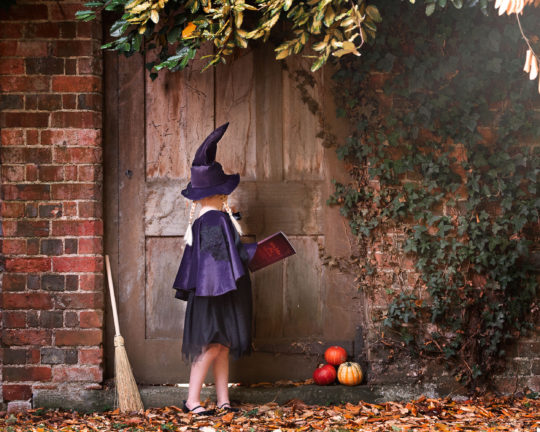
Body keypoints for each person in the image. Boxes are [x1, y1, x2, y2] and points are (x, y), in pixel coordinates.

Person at [172, 123, 256, 415]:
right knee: (211, 345)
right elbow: (220, 260)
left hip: (214, 293)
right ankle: (192, 400)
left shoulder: (210, 221)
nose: (227, 199)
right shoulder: (214, 221)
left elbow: (218, 257)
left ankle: (223, 399)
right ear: (219, 194)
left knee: (222, 345)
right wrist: (255, 253)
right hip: (216, 296)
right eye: (224, 194)